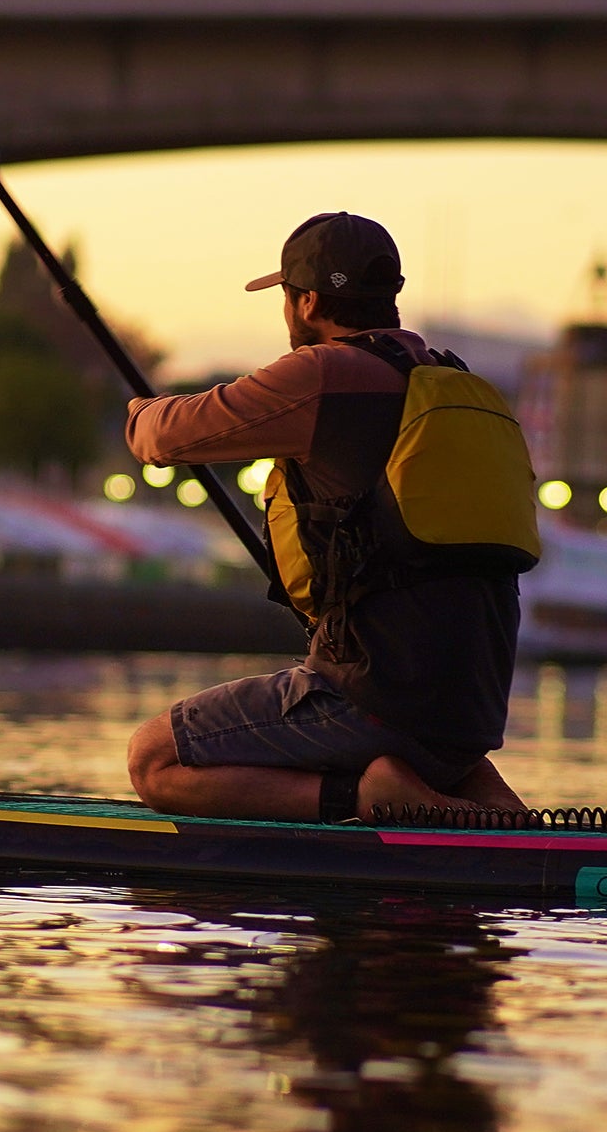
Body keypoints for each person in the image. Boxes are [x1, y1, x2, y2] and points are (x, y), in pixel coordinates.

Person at [124, 212, 541, 825]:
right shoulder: (451, 382)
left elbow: (163, 436)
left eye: (288, 297)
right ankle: (471, 798)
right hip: (469, 710)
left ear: (309, 300)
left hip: (374, 694)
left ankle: (365, 799)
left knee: (154, 759)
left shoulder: (325, 376)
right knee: (375, 726)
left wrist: (139, 411)